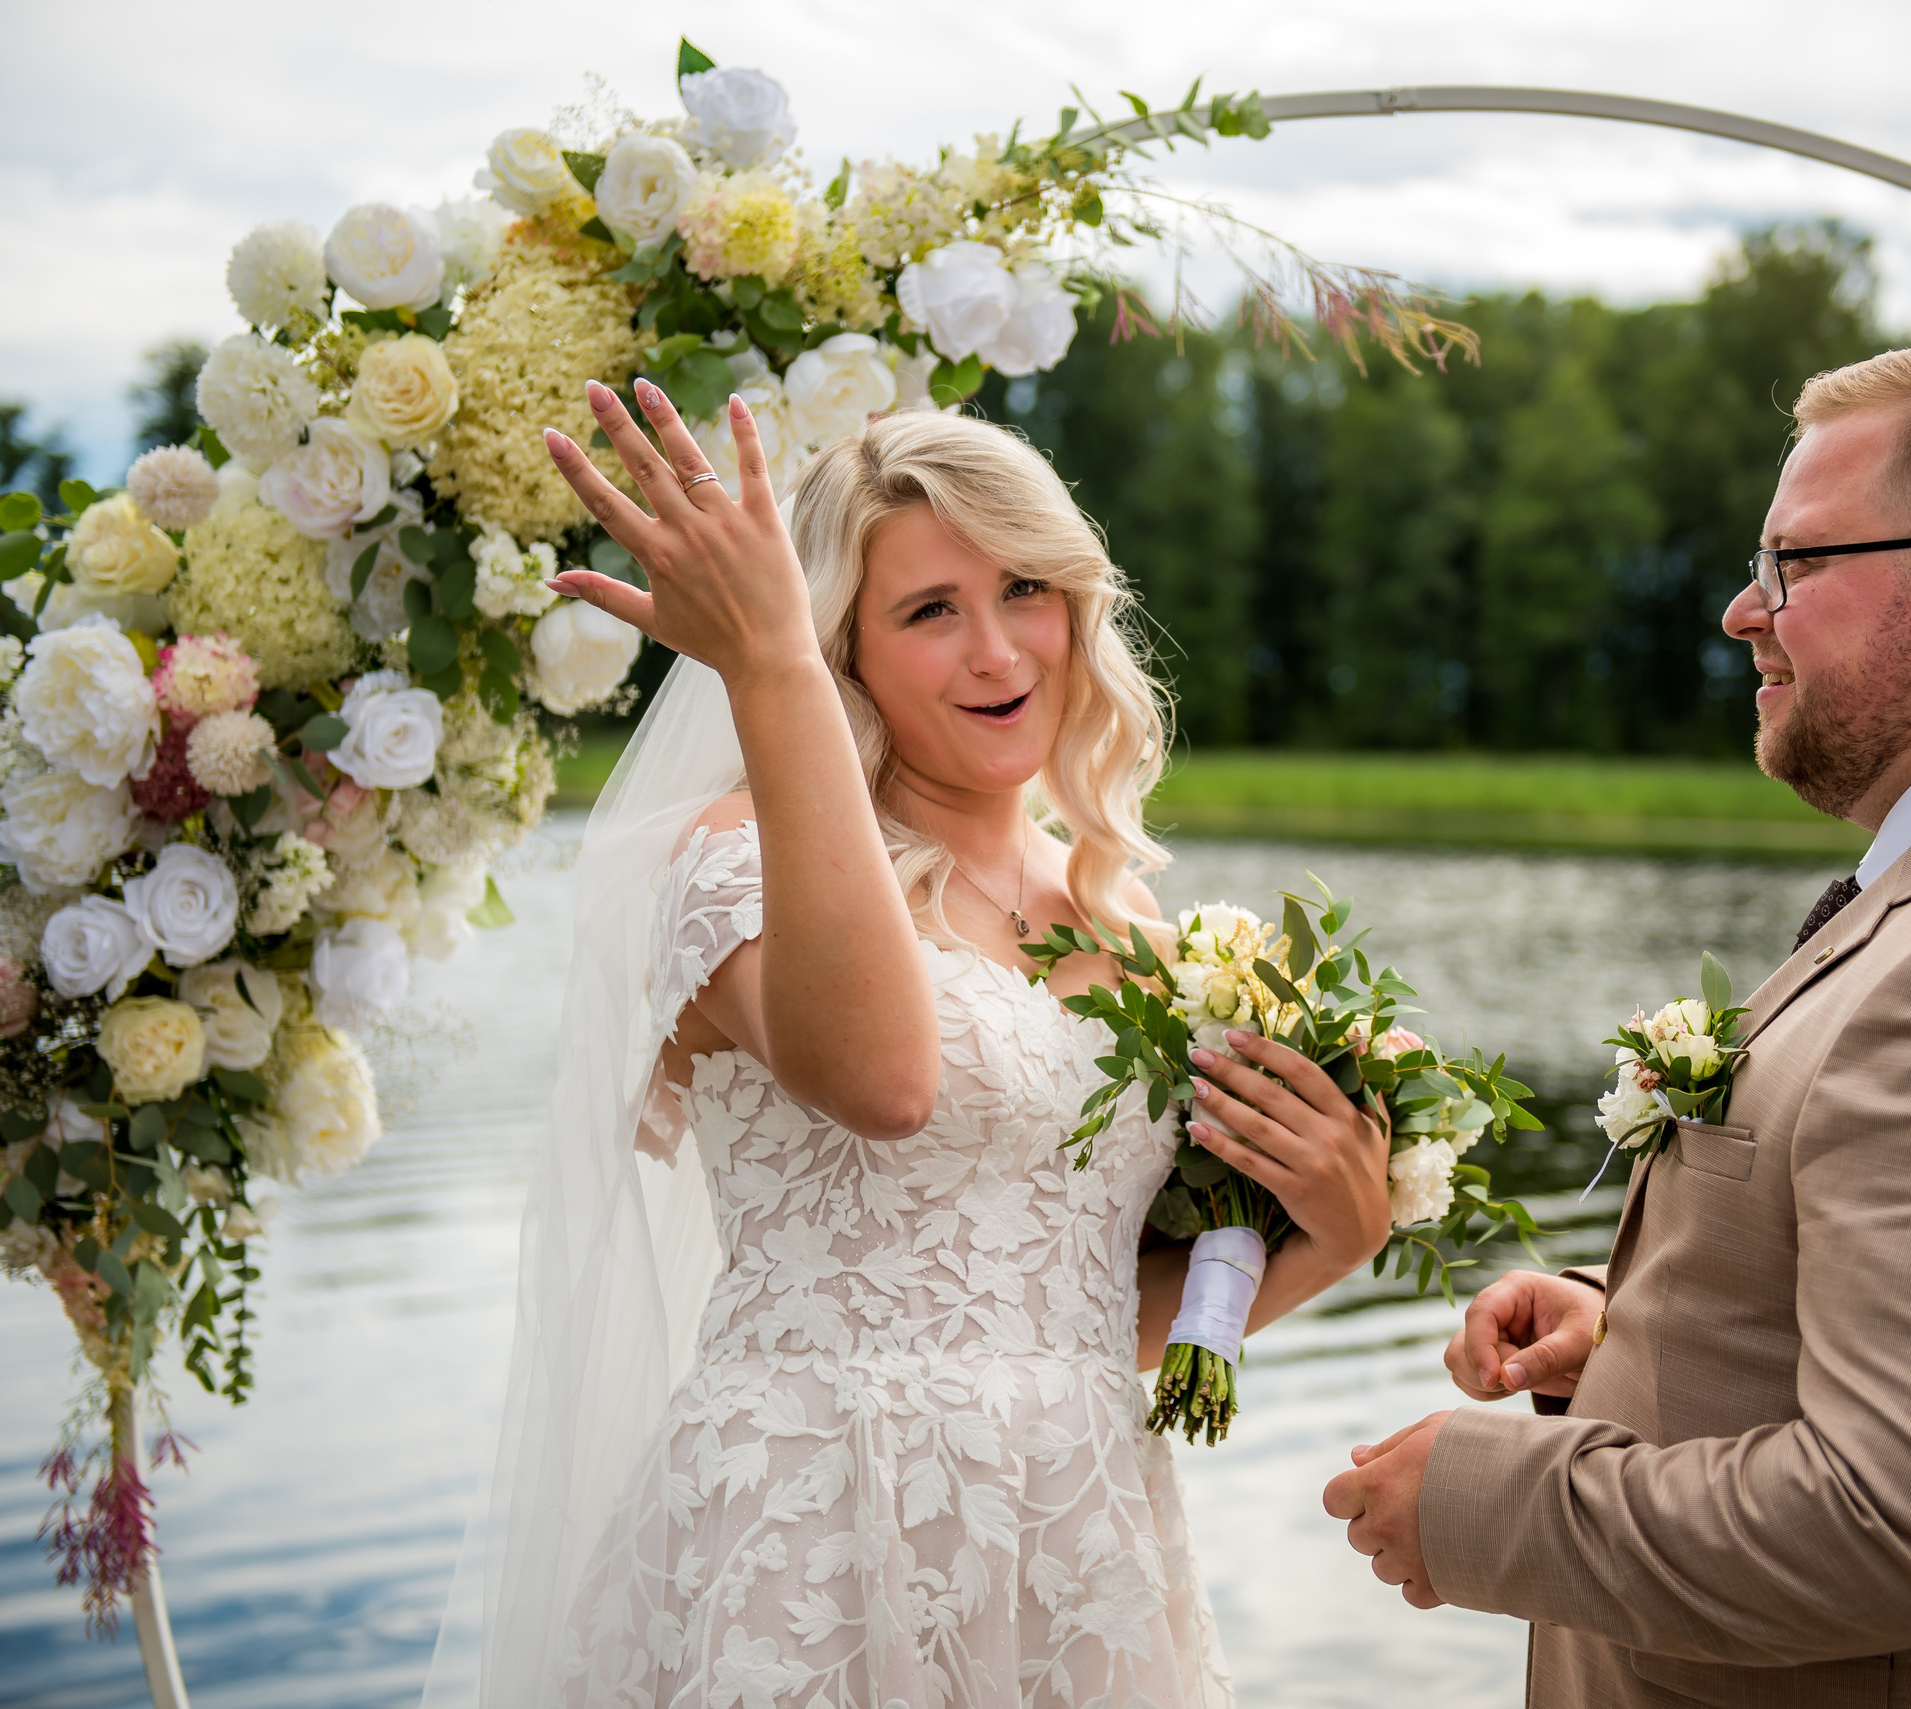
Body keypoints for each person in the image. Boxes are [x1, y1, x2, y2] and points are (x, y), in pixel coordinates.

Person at [1322, 338, 1911, 1707]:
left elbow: (1905, 1524)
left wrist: (1486, 1501)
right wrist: (1646, 1341)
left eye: (1795, 562)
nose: (1741, 610)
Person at [453, 382, 1393, 1707]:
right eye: (928, 610)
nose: (1001, 652)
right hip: (819, 1522)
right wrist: (765, 665)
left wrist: (1335, 1233)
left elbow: (1079, 1320)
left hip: (1077, 1538)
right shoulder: (736, 860)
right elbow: (889, 1085)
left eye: (1026, 589)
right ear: (843, 648)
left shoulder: (1128, 924)